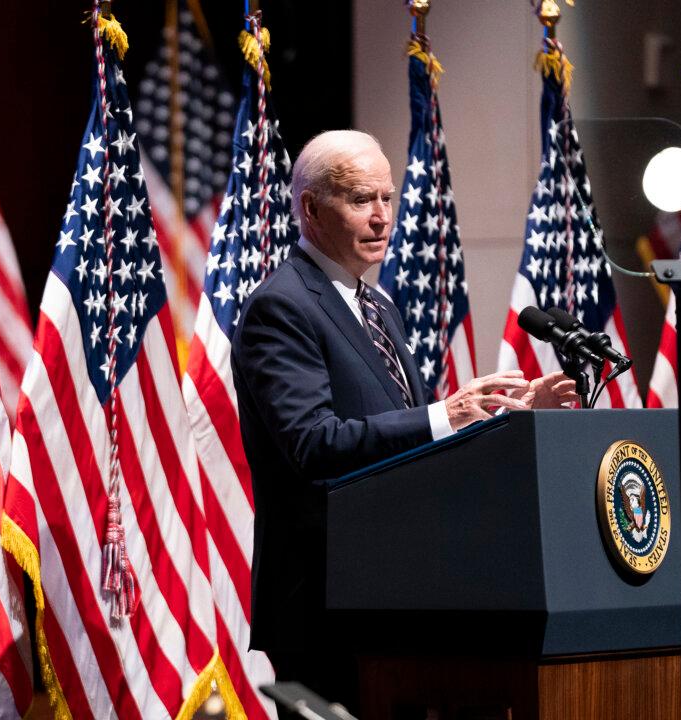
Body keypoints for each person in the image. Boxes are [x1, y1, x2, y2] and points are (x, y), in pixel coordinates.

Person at [231, 130, 577, 712]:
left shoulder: (378, 304)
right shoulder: (281, 306)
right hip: (325, 599)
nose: (381, 217)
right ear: (311, 209)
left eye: (388, 198)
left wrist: (497, 418)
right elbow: (314, 443)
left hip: (400, 590)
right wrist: (448, 412)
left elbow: (413, 444)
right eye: (362, 199)